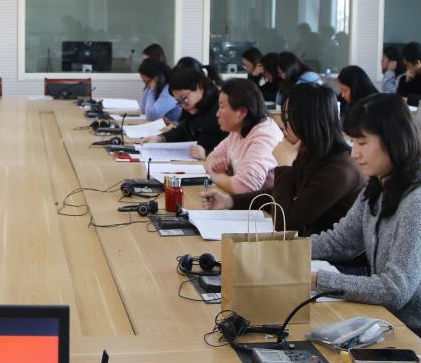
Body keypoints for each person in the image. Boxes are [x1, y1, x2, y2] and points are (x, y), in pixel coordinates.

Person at [308, 94, 421, 349]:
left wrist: (318, 280)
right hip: (390, 324)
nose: (354, 153)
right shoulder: (377, 186)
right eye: (352, 142)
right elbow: (340, 241)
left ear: (393, 140)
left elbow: (395, 289)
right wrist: (286, 250)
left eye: (362, 142)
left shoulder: (419, 201)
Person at [202, 84, 363, 236]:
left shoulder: (339, 170)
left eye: (287, 118)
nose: (283, 126)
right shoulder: (311, 152)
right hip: (307, 247)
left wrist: (284, 166)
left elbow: (284, 226)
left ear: (307, 121)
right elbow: (275, 194)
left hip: (327, 255)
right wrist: (229, 201)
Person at [200, 78, 284, 194]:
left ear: (242, 112)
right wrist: (217, 169)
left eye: (222, 107)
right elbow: (210, 159)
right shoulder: (238, 130)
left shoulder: (265, 136)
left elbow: (244, 187)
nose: (217, 114)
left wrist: (216, 176)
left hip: (264, 204)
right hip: (242, 201)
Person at [141, 62, 226, 154]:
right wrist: (161, 138)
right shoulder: (195, 108)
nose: (183, 105)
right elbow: (183, 130)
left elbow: (231, 147)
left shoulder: (220, 109)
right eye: (179, 102)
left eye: (184, 98)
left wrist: (207, 153)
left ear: (200, 87)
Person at [138, 57, 182, 122]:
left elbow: (151, 116)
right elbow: (143, 109)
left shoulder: (170, 89)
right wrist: (149, 87)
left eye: (147, 82)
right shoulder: (159, 86)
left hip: (177, 127)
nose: (147, 85)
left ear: (156, 78)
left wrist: (152, 90)